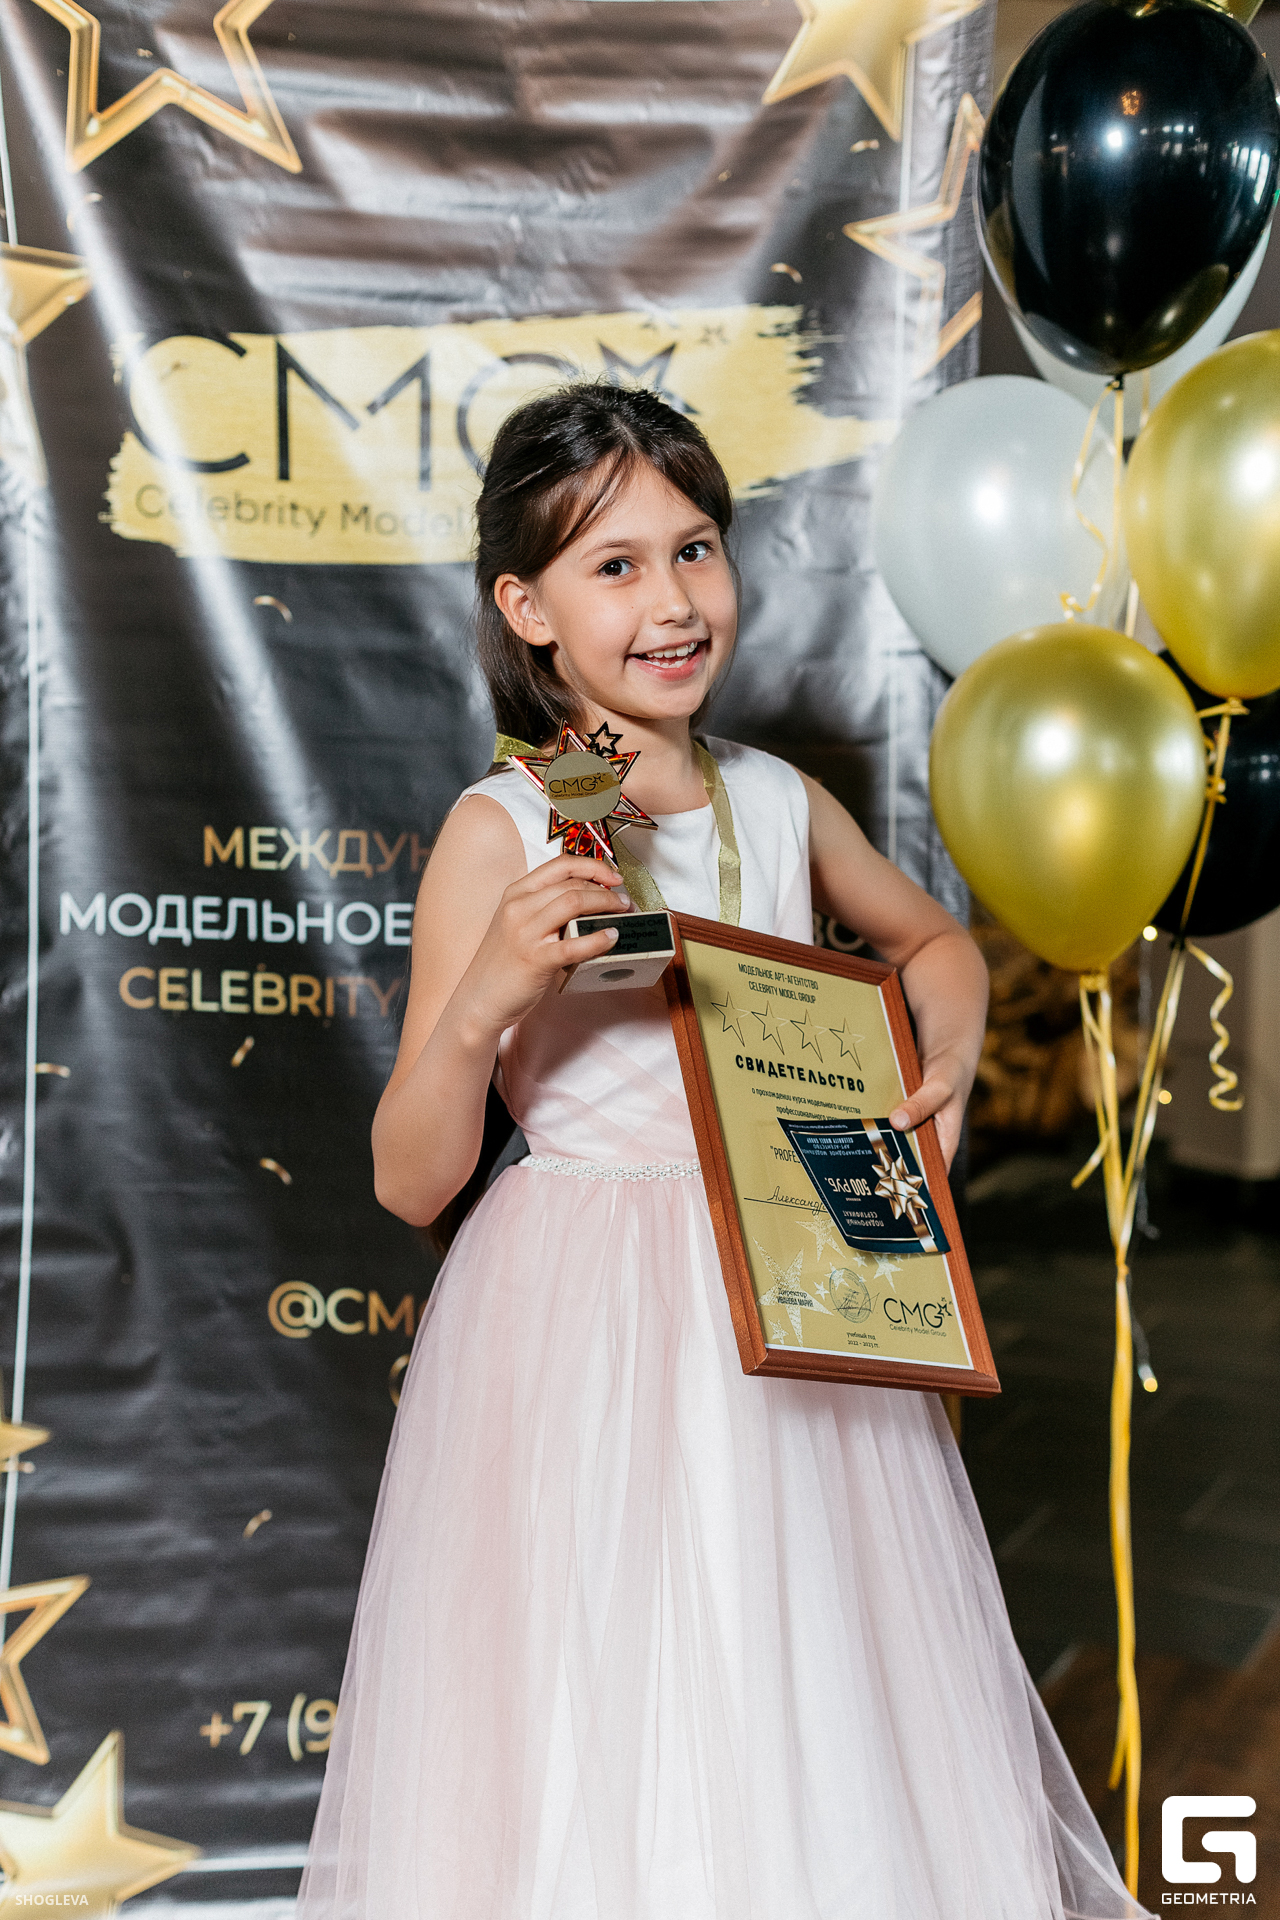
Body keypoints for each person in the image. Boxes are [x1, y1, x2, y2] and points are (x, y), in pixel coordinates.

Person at [298, 384, 1145, 1920]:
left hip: (795, 1286)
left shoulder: (773, 798)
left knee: (805, 1672)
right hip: (579, 1323)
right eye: (614, 565)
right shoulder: (507, 827)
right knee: (595, 1700)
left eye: (695, 549)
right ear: (528, 609)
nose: (674, 600)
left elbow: (936, 944)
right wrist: (486, 999)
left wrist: (945, 1064)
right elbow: (409, 1176)